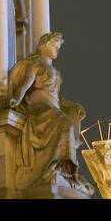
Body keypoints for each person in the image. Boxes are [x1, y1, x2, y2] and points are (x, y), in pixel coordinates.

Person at [8, 31, 87, 190]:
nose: (57, 50)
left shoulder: (55, 72)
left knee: (68, 122)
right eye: (55, 46)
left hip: (53, 108)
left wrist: (74, 108)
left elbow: (57, 97)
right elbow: (26, 83)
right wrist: (17, 98)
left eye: (58, 47)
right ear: (44, 45)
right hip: (40, 109)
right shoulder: (35, 65)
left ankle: (64, 169)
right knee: (63, 122)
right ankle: (54, 166)